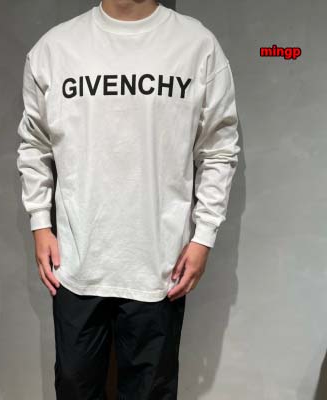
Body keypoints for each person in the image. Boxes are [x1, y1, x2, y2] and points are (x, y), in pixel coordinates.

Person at [16, 0, 241, 398]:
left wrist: (204, 235)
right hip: (77, 260)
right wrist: (40, 223)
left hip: (160, 263)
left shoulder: (197, 46)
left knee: (151, 393)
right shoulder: (54, 49)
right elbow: (35, 144)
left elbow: (219, 148)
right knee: (74, 389)